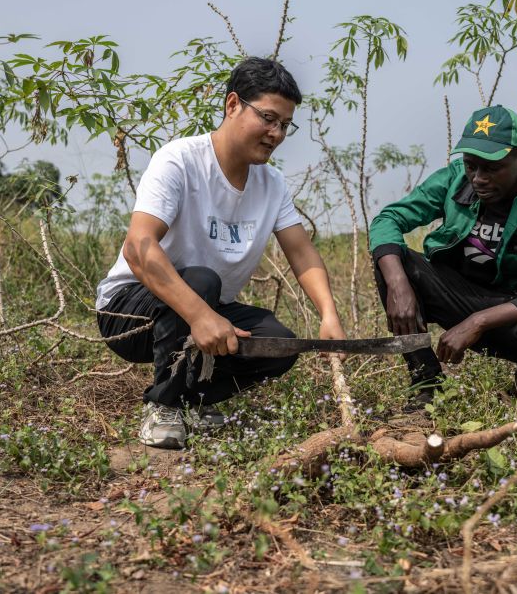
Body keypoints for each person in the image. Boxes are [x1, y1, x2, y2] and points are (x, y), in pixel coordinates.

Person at [96, 57, 346, 449]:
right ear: (233, 105)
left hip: (204, 306)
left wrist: (329, 315)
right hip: (128, 311)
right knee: (201, 280)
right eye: (267, 118)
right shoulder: (179, 160)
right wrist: (199, 315)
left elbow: (302, 253)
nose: (276, 133)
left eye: (284, 125)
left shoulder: (272, 183)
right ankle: (164, 408)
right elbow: (138, 247)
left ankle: (193, 399)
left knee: (278, 343)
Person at [369, 104, 517, 405]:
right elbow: (388, 220)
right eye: (471, 165)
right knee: (394, 262)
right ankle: (426, 384)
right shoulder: (453, 179)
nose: (478, 178)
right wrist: (398, 284)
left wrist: (479, 321)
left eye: (491, 167)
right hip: (460, 298)